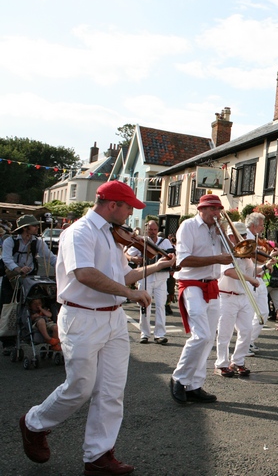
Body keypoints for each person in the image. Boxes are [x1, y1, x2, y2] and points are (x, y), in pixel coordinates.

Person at [20, 180, 173, 473]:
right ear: (113, 205)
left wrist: (157, 267)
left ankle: (98, 455)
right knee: (79, 387)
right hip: (83, 316)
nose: (130, 214)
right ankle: (33, 423)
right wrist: (130, 293)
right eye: (128, 207)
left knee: (112, 389)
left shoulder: (110, 234)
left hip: (113, 317)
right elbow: (85, 274)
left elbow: (123, 275)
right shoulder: (79, 231)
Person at [170, 194, 233, 405]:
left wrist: (223, 234)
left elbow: (231, 254)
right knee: (201, 335)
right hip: (192, 284)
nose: (217, 213)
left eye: (218, 209)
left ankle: (195, 384)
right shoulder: (188, 226)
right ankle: (179, 378)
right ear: (201, 209)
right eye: (213, 209)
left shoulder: (216, 229)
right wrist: (216, 258)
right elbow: (183, 260)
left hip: (212, 285)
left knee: (208, 338)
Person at [215, 221, 257, 378]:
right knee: (225, 332)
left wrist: (266, 265)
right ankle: (221, 364)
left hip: (243, 296)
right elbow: (229, 272)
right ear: (231, 237)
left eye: (245, 235)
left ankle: (238, 361)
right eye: (242, 236)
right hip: (227, 296)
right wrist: (251, 280)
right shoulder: (225, 252)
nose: (245, 238)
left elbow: (252, 271)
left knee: (246, 330)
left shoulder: (245, 255)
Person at [126, 220, 174, 345]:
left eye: (154, 230)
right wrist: (133, 258)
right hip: (145, 277)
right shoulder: (141, 241)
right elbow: (126, 254)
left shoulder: (165, 242)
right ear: (146, 229)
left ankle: (160, 334)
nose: (152, 232)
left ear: (157, 230)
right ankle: (145, 333)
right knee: (144, 305)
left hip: (161, 277)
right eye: (150, 229)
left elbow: (172, 255)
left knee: (160, 306)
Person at [2, 214, 58, 300]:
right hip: (11, 278)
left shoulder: (37, 242)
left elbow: (50, 257)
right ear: (25, 228)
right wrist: (18, 269)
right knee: (8, 304)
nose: (37, 227)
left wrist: (60, 266)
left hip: (30, 278)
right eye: (34, 226)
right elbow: (7, 258)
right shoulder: (10, 241)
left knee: (29, 304)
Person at [244, 212, 270, 349]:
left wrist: (266, 264)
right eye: (261, 225)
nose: (262, 227)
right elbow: (250, 258)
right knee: (251, 314)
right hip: (250, 279)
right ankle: (246, 343)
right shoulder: (246, 238)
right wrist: (264, 261)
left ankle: (249, 341)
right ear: (253, 225)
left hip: (258, 278)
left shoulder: (255, 238)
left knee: (263, 313)